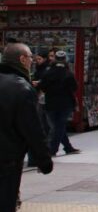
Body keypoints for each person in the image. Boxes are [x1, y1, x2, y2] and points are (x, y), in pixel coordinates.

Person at [0, 43, 53, 211]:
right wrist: (44, 160)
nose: (32, 61)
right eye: (30, 57)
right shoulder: (22, 88)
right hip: (7, 159)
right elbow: (32, 129)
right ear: (22, 59)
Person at [39, 50, 80, 156]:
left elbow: (42, 86)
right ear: (65, 59)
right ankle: (53, 149)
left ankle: (67, 147)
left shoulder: (48, 72)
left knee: (57, 126)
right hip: (65, 104)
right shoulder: (68, 73)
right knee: (59, 126)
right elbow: (75, 87)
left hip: (50, 103)